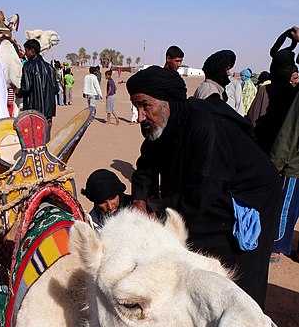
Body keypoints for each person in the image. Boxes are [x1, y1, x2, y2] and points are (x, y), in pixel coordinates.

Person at [126, 65, 282, 309]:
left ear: (167, 102)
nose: (141, 115)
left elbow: (201, 193)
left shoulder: (205, 126)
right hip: (208, 188)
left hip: (247, 196)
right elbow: (145, 166)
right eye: (137, 107)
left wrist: (159, 214)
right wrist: (138, 200)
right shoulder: (159, 127)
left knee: (232, 267)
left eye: (146, 105)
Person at [247, 29, 298, 155]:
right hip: (286, 153)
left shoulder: (266, 90)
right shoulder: (294, 92)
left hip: (263, 148)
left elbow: (252, 119)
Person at [269, 91, 299, 262]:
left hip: (295, 166)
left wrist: (275, 165)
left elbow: (291, 131)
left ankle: (275, 246)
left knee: (285, 207)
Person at [18, 39, 57, 143]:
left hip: (33, 112)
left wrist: (18, 92)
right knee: (46, 140)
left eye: (26, 51)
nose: (25, 54)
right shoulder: (50, 68)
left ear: (32, 51)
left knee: (33, 140)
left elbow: (26, 87)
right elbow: (56, 89)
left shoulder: (28, 66)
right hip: (48, 113)